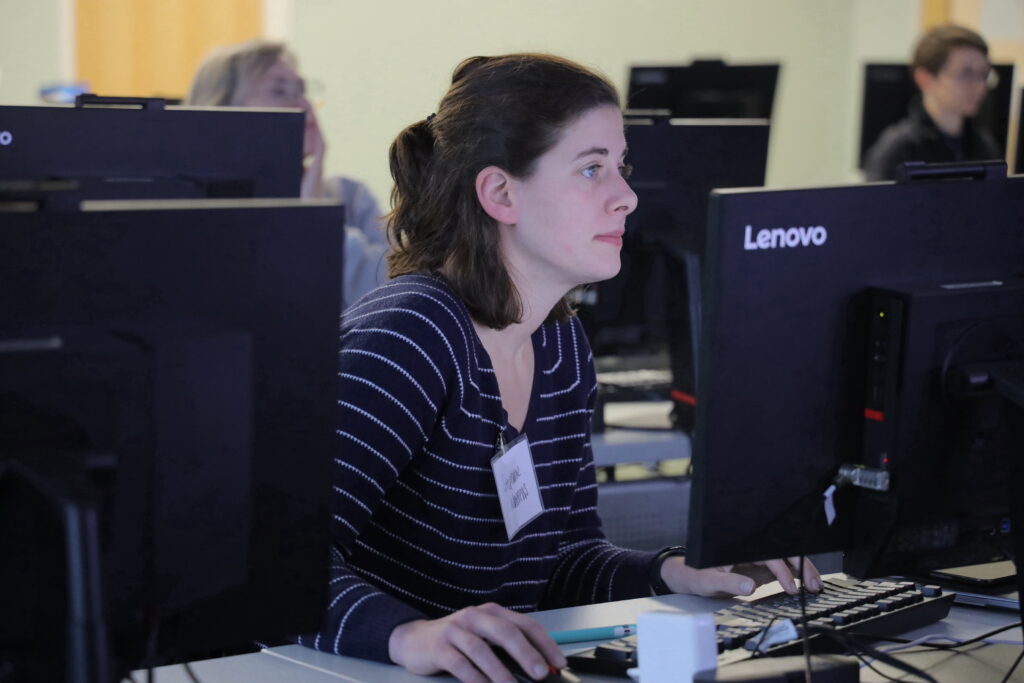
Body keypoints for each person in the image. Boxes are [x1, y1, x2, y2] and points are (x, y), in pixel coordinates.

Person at [304, 53, 821, 683]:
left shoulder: (558, 343)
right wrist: (405, 635)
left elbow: (562, 565)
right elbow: (274, 563)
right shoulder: (410, 337)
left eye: (620, 168)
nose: (627, 197)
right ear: (500, 193)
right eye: (591, 169)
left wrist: (672, 570)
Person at [185, 40, 386, 307]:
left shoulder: (353, 198)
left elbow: (386, 298)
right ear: (223, 109)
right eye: (280, 91)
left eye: (303, 91)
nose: (304, 105)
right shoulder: (194, 207)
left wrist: (315, 216)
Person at [863, 24, 1001, 181]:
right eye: (966, 74)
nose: (980, 87)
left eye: (984, 74)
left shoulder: (984, 146)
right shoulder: (897, 150)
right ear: (925, 79)